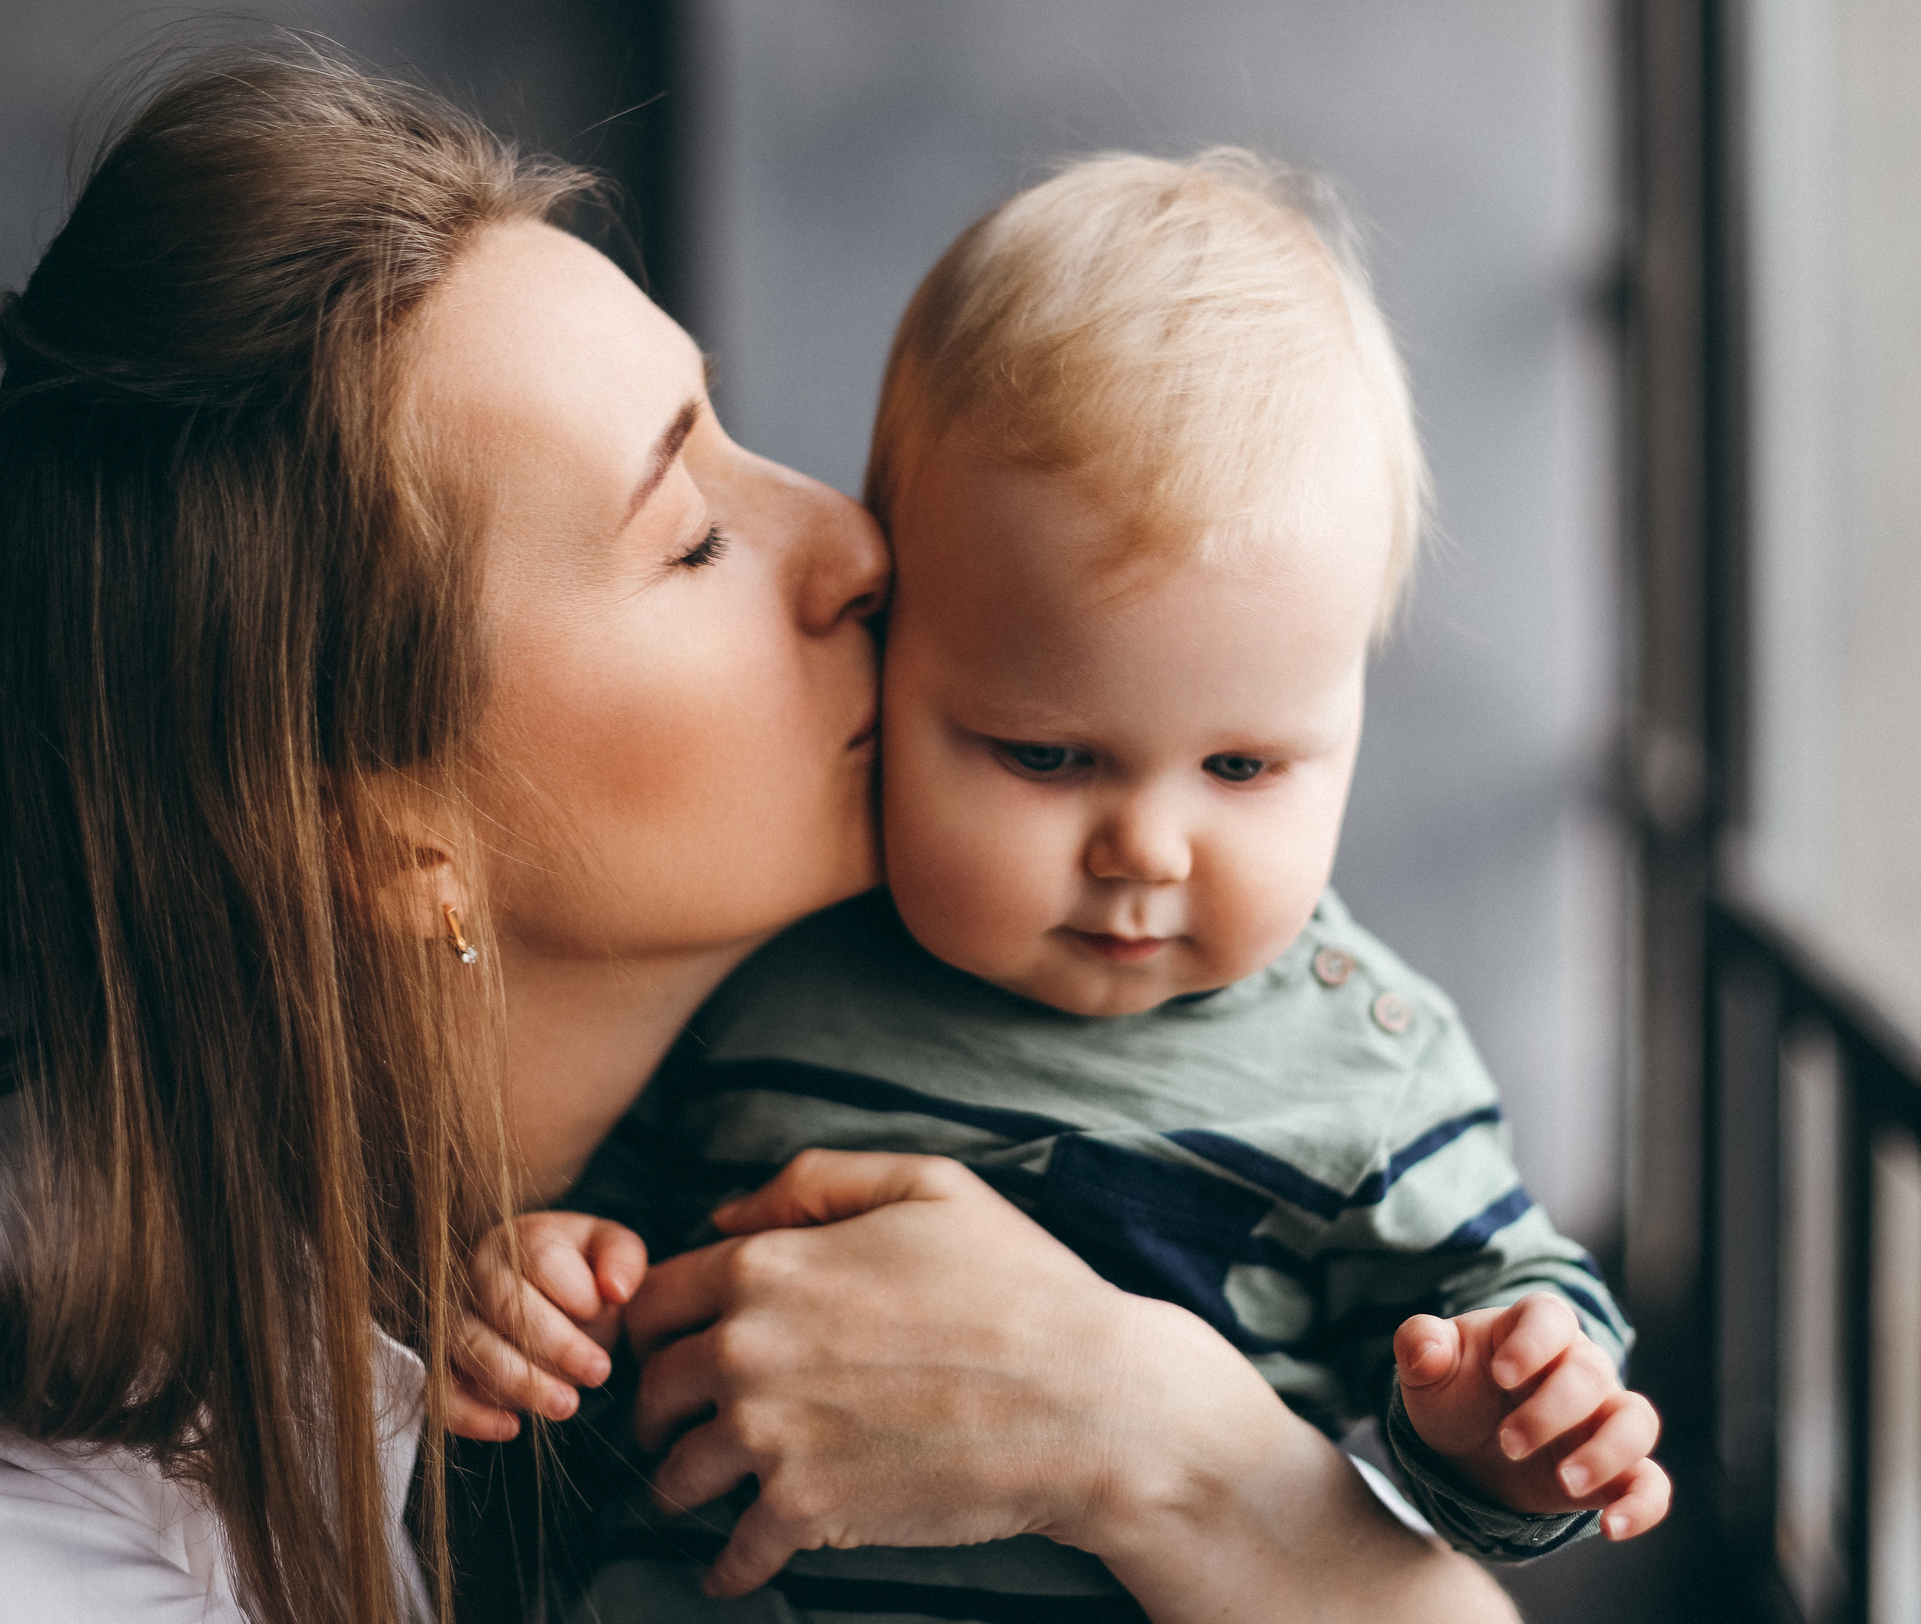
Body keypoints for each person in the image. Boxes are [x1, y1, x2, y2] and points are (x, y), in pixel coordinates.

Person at [0, 44, 1524, 1624]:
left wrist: (1162, 1447)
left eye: (736, 427)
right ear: (383, 838)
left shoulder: (1069, 999)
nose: (858, 546)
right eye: (688, 533)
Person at [451, 152, 1672, 1620]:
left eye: (1244, 769)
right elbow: (623, 1266)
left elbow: (1505, 1314)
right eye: (1045, 754)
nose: (1147, 850)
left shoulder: (1366, 1063)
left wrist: (1520, 1414)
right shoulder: (766, 963)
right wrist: (545, 1290)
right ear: (898, 650)